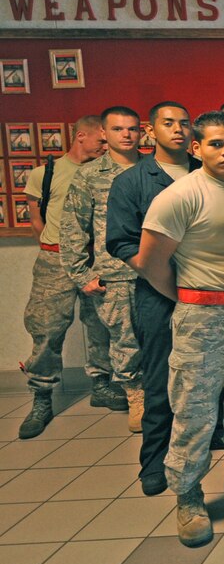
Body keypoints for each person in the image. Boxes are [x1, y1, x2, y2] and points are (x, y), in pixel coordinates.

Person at [131, 111, 224, 547]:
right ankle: (188, 493)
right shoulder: (179, 195)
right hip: (201, 316)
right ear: (196, 148)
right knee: (194, 407)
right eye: (215, 144)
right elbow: (150, 263)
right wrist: (189, 298)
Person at [106, 102, 200, 495]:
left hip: (210, 291)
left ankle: (213, 441)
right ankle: (154, 461)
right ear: (151, 130)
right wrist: (166, 284)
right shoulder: (134, 180)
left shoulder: (206, 172)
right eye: (168, 123)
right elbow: (123, 242)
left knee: (210, 377)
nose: (178, 129)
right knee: (160, 379)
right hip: (158, 292)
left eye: (184, 123)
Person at [18, 115, 112, 439]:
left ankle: (102, 384)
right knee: (46, 329)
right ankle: (41, 398)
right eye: (101, 140)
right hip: (54, 258)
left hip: (95, 258)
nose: (105, 146)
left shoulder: (106, 171)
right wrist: (53, 250)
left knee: (101, 323)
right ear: (81, 136)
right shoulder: (45, 174)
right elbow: (35, 219)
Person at [59, 106, 145, 433]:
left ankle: (164, 397)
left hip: (157, 271)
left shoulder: (155, 170)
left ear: (141, 133)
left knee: (163, 338)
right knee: (124, 341)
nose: (126, 134)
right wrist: (82, 276)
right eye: (118, 129)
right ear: (104, 135)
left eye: (132, 129)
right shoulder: (89, 175)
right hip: (114, 274)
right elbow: (73, 228)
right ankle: (136, 397)